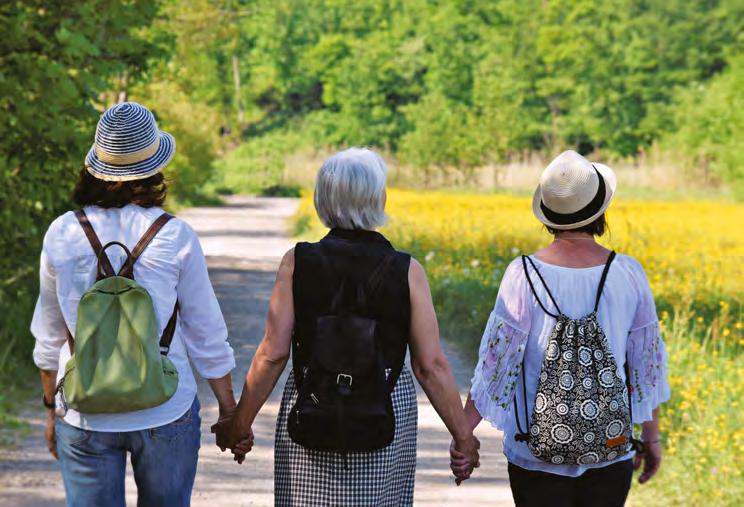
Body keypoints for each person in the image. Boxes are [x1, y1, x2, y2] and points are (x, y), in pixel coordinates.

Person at [212, 147, 480, 506]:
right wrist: (463, 438)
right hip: (384, 404)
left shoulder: (297, 262)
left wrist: (240, 422)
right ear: (380, 199)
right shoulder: (407, 270)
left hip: (313, 399)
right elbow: (429, 366)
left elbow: (273, 354)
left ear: (321, 200)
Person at [32, 102, 237, 507]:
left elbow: (48, 333)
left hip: (85, 410)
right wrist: (229, 410)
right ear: (154, 168)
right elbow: (205, 332)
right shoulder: (175, 236)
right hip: (166, 408)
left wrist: (51, 408)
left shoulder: (62, 233)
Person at [458, 151, 670, 507]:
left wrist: (463, 436)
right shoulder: (629, 273)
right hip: (610, 448)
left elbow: (496, 368)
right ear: (600, 211)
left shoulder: (522, 274)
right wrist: (651, 439)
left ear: (548, 215)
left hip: (534, 455)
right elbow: (644, 370)